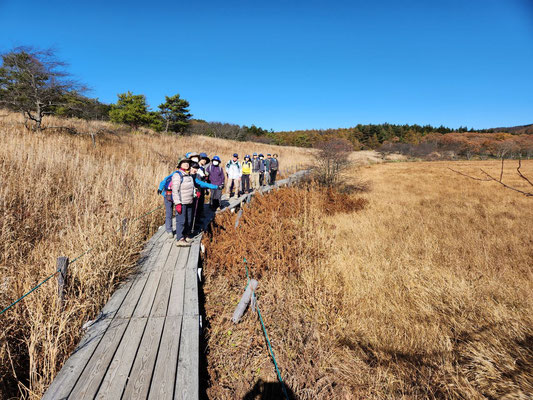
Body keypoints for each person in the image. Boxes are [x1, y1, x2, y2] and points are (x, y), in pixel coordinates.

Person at [190, 162, 221, 231]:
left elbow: (201, 183)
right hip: (185, 198)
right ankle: (187, 231)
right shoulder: (185, 175)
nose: (195, 170)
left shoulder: (194, 177)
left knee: (193, 212)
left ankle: (192, 227)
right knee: (189, 214)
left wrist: (215, 187)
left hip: (192, 197)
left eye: (196, 169)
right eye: (193, 168)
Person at [171, 157, 196, 246]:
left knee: (188, 220)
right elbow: (175, 190)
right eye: (184, 163)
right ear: (180, 164)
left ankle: (186, 235)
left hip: (189, 201)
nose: (186, 164)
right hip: (181, 202)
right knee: (181, 221)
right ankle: (180, 239)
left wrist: (195, 193)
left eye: (188, 163)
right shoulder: (177, 175)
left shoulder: (188, 175)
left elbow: (191, 187)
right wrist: (177, 203)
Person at [158, 163, 179, 239]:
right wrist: (160, 188)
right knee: (170, 213)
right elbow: (164, 181)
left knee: (171, 213)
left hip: (171, 196)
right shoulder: (176, 174)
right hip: (169, 196)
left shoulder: (180, 174)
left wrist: (160, 189)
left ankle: (172, 231)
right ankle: (170, 230)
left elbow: (163, 181)